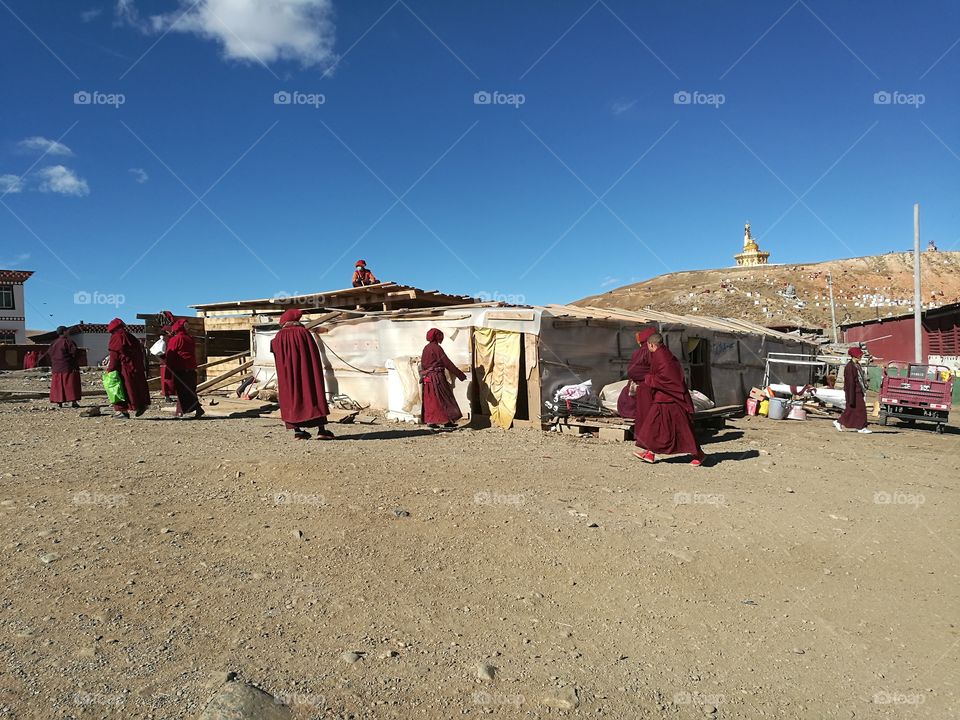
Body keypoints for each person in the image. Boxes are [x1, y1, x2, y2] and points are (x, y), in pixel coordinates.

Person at [634, 333, 705, 466]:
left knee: (683, 428)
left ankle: (699, 454)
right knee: (653, 424)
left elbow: (670, 379)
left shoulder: (663, 357)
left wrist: (649, 379)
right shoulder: (663, 353)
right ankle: (649, 453)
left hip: (673, 398)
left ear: (651, 345)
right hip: (663, 397)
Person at [270, 308, 334, 440]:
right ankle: (321, 430)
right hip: (307, 371)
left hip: (287, 374)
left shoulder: (279, 336)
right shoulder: (303, 332)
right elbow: (312, 353)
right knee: (312, 392)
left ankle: (298, 431)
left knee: (290, 396)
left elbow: (274, 349)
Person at [420, 328, 467, 431]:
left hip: (428, 378)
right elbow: (447, 362)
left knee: (432, 400)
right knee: (445, 398)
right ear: (437, 336)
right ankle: (447, 421)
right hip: (437, 378)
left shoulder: (426, 348)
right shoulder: (436, 348)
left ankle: (432, 421)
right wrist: (460, 375)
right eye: (440, 336)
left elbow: (423, 364)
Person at [106, 318, 150, 419]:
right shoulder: (131, 337)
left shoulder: (116, 338)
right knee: (137, 387)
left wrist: (110, 369)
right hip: (136, 367)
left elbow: (114, 355)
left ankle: (122, 411)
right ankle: (141, 405)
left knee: (120, 389)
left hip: (123, 369)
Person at [164, 319, 204, 419]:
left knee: (183, 391)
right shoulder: (190, 338)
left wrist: (168, 368)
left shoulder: (176, 339)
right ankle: (183, 411)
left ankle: (191, 410)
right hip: (191, 369)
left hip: (181, 368)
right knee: (189, 390)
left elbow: (170, 355)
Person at [617, 327, 656, 423]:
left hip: (639, 384)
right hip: (647, 385)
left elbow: (632, 371)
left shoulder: (638, 353)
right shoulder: (653, 352)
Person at [835, 347, 870, 433]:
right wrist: (851, 396)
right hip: (853, 391)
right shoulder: (850, 367)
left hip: (858, 391)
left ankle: (840, 422)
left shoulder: (857, 365)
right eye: (859, 355)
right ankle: (861, 427)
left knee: (854, 410)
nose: (861, 357)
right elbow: (850, 382)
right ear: (855, 356)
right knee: (859, 409)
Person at [45, 326, 82, 408]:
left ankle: (59, 402)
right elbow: (75, 352)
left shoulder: (53, 343)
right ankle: (73, 401)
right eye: (67, 331)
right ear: (64, 332)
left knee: (58, 385)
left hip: (56, 368)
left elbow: (49, 354)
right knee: (70, 385)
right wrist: (74, 361)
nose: (68, 332)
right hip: (68, 367)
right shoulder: (68, 342)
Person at [158, 311, 177, 402]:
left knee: (167, 378)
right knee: (168, 378)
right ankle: (167, 395)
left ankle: (167, 395)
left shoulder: (166, 330)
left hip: (166, 358)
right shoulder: (170, 330)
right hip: (167, 358)